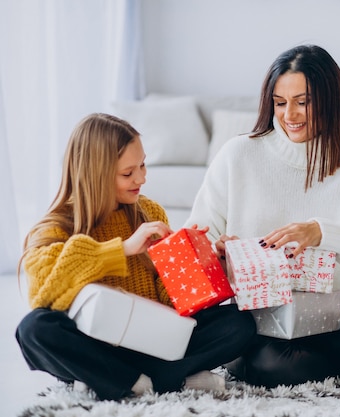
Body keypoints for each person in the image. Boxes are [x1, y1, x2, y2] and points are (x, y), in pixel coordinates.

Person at [184, 44, 340, 387]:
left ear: (329, 101)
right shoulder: (238, 155)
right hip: (260, 314)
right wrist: (220, 257)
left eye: (303, 102)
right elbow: (196, 242)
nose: (290, 115)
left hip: (332, 311)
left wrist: (320, 232)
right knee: (272, 369)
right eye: (280, 103)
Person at [15, 113, 256, 401]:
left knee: (239, 324)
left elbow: (172, 307)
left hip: (154, 342)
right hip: (94, 345)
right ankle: (166, 378)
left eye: (142, 165)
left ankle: (116, 379)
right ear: (96, 175)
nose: (141, 178)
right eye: (128, 173)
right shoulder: (58, 224)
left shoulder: (150, 212)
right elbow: (42, 292)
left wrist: (197, 264)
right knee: (34, 330)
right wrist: (122, 249)